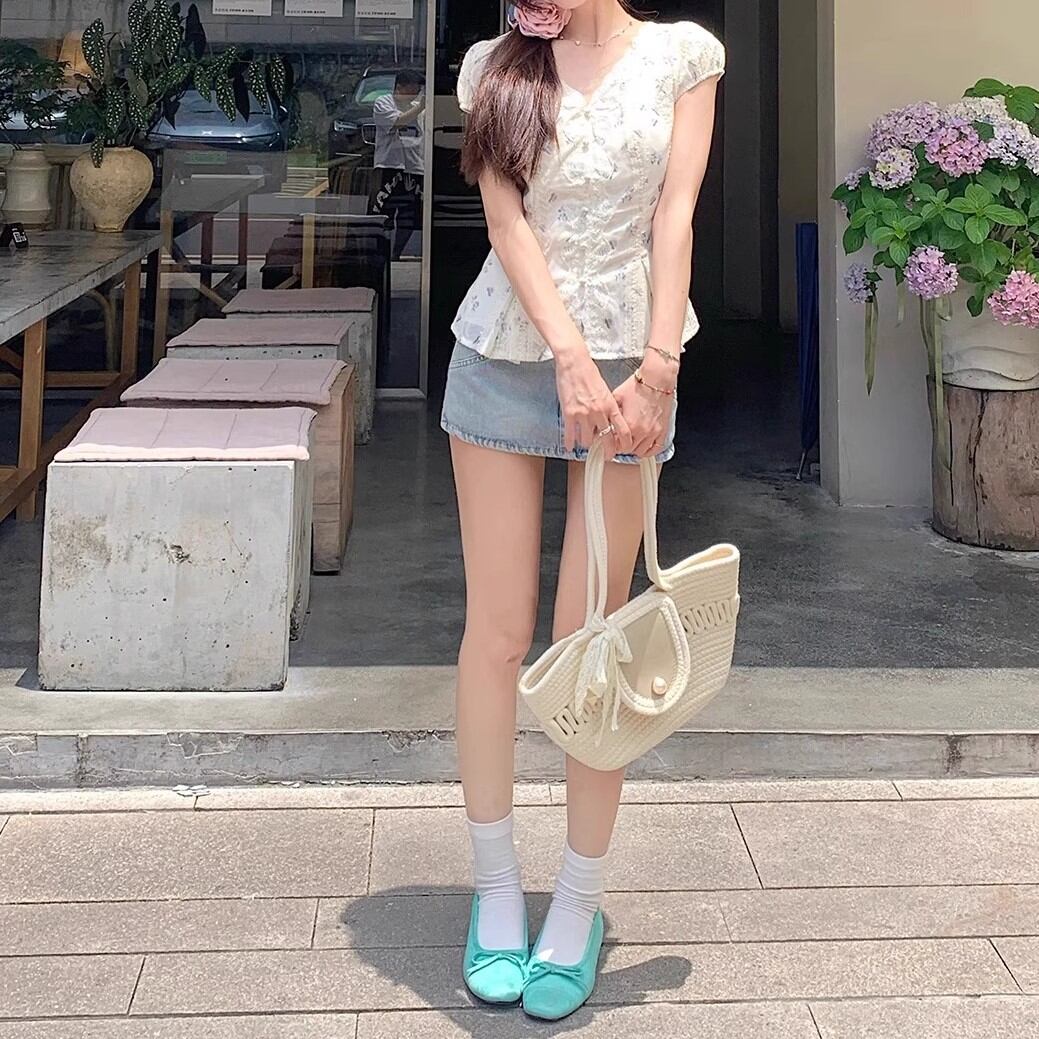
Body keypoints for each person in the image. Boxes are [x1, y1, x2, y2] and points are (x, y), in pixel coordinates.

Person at [440, 0, 723, 1021]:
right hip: (504, 358)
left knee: (589, 642)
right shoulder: (493, 64)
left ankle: (577, 901)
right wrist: (566, 355)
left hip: (634, 373)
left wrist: (658, 366)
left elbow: (674, 215)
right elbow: (505, 222)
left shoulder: (684, 56)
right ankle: (496, 890)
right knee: (496, 634)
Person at [370, 68, 425, 260]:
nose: (415, 95)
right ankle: (380, 252)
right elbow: (396, 122)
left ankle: (396, 253)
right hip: (389, 165)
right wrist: (419, 108)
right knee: (383, 211)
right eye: (412, 90)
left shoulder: (419, 107)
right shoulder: (383, 102)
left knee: (408, 215)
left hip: (414, 167)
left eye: (418, 91)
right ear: (399, 87)